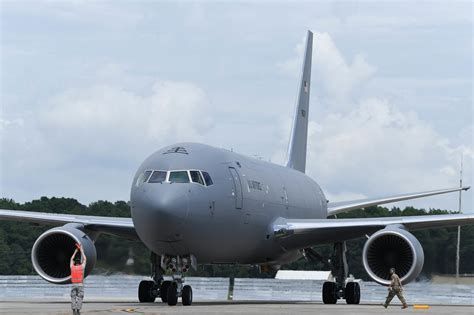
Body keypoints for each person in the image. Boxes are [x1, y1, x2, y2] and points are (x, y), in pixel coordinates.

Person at [70, 243, 87, 315]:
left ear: (74, 263)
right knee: (80, 297)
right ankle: (78, 310)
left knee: (73, 297)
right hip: (80, 284)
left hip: (73, 284)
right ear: (80, 263)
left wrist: (75, 251)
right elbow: (85, 259)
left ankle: (74, 309)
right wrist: (82, 250)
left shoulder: (72, 267)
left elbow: (71, 259)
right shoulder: (82, 267)